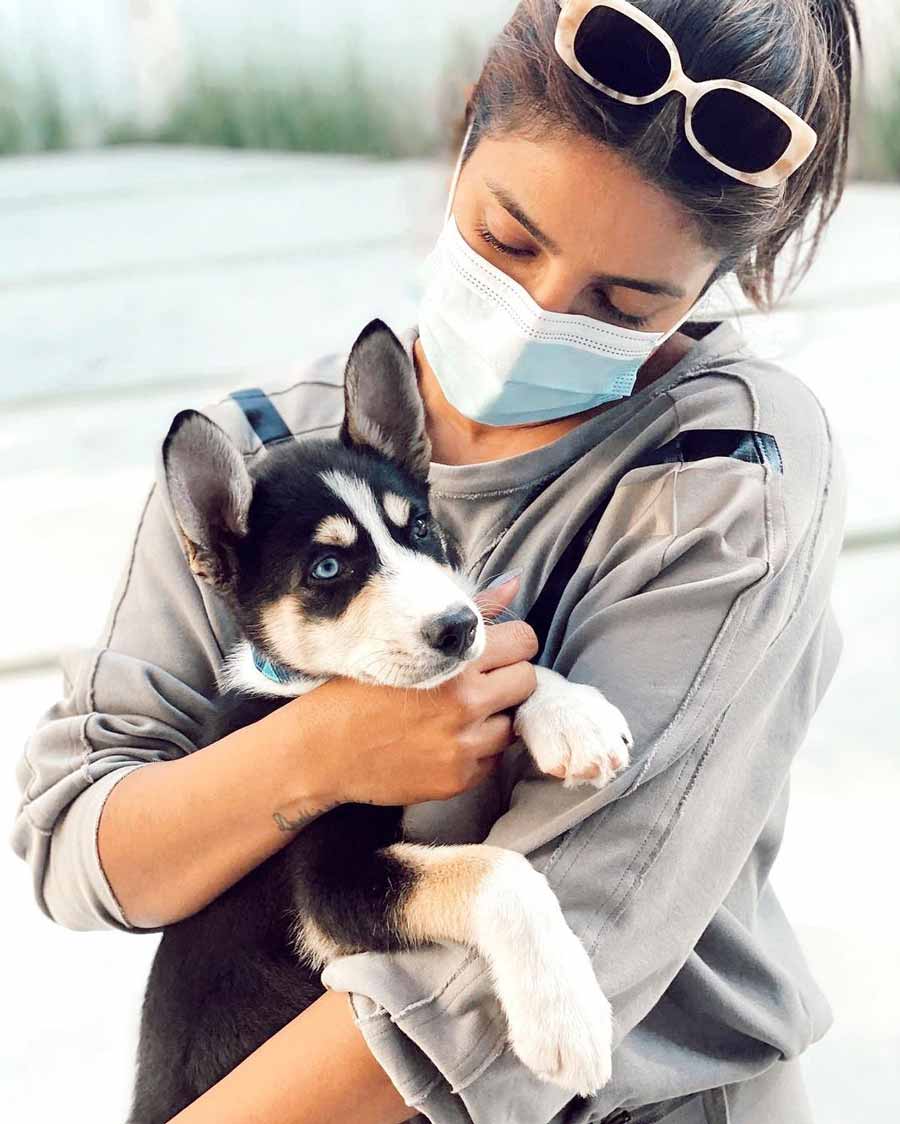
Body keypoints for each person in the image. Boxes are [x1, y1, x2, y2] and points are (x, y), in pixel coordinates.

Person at [10, 1, 860, 1121]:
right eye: (510, 238)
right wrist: (316, 750)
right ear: (466, 129)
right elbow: (85, 847)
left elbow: (554, 945)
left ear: (713, 286)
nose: (542, 310)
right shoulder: (264, 456)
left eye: (628, 301)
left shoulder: (725, 473)